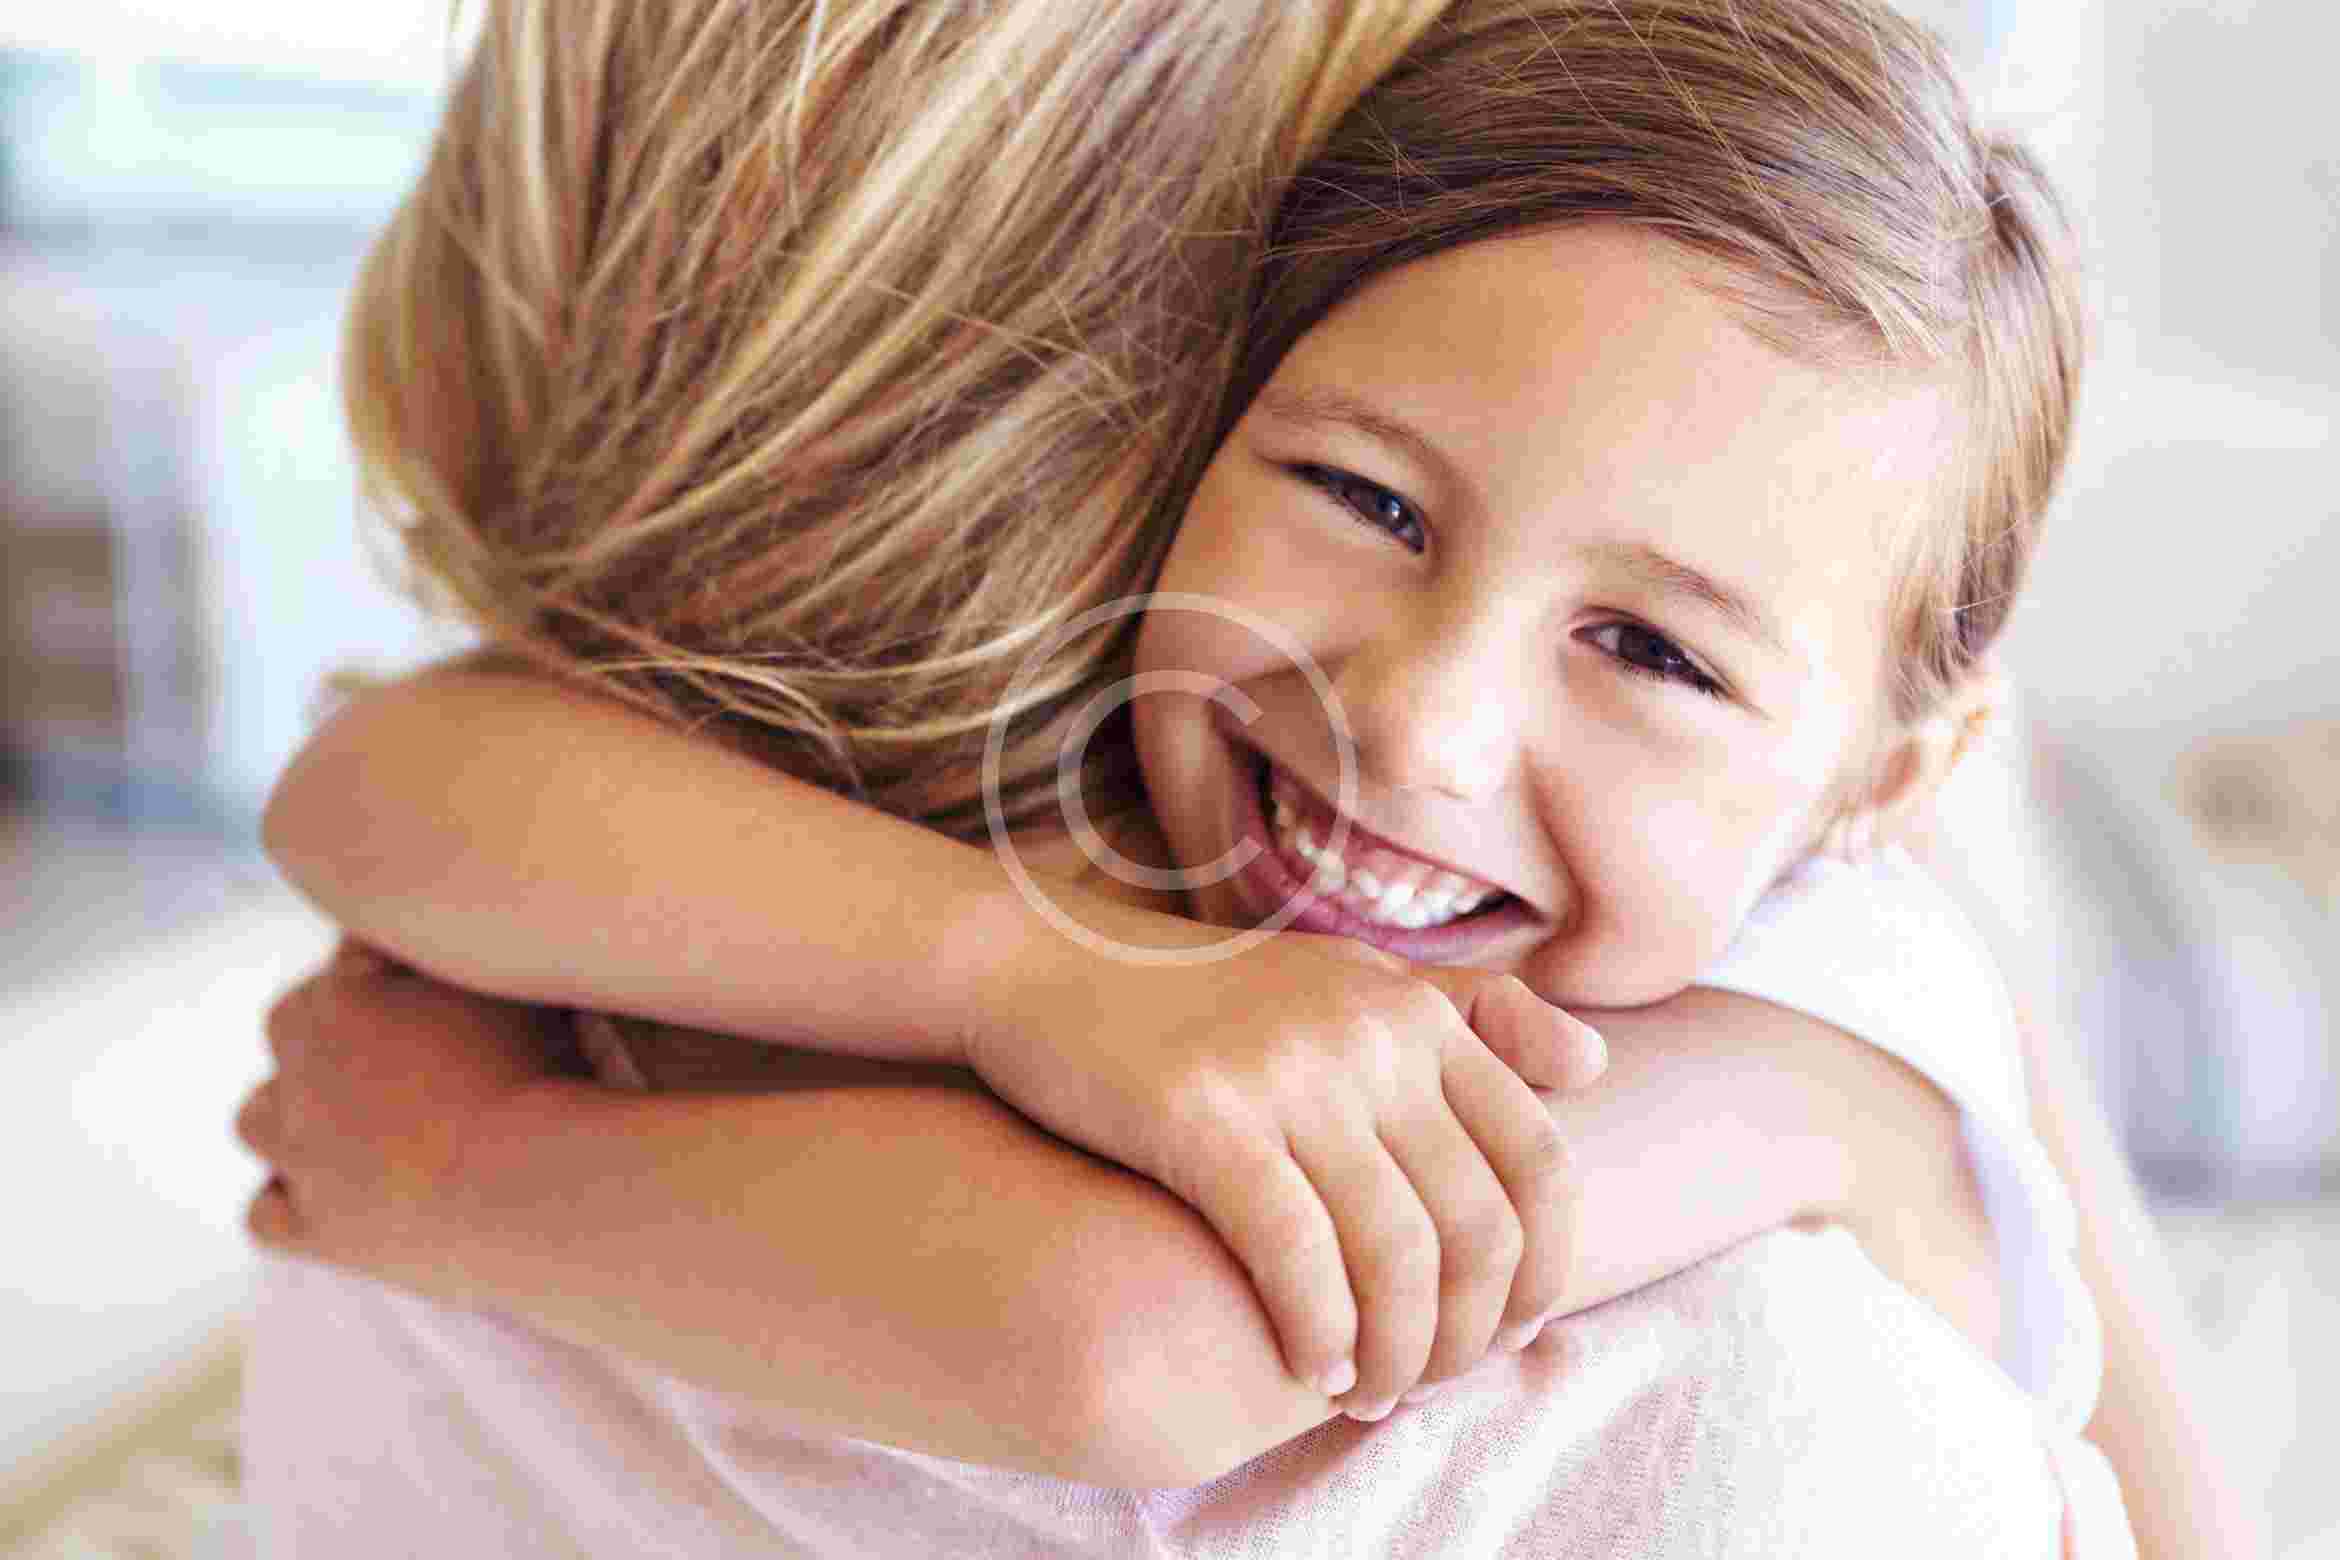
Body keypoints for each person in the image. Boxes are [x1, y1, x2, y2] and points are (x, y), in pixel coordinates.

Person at [233, 0, 2248, 1552]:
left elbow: (1135, 1349)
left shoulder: (1807, 1012)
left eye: (1654, 652)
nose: (1421, 724)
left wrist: (457, 1170)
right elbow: (378, 782)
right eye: (1367, 497)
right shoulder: (1123, 813)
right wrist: (1008, 969)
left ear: (1884, 781)